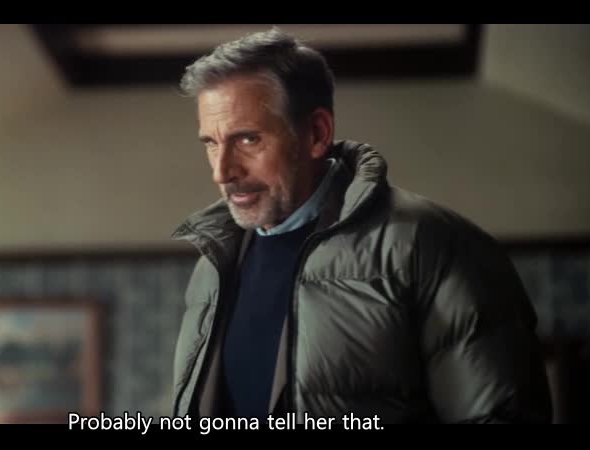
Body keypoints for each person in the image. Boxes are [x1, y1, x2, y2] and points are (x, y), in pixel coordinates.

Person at [169, 27, 553, 424]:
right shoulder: (211, 269)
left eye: (248, 140)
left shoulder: (433, 246)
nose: (222, 171)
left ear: (317, 134)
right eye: (211, 143)